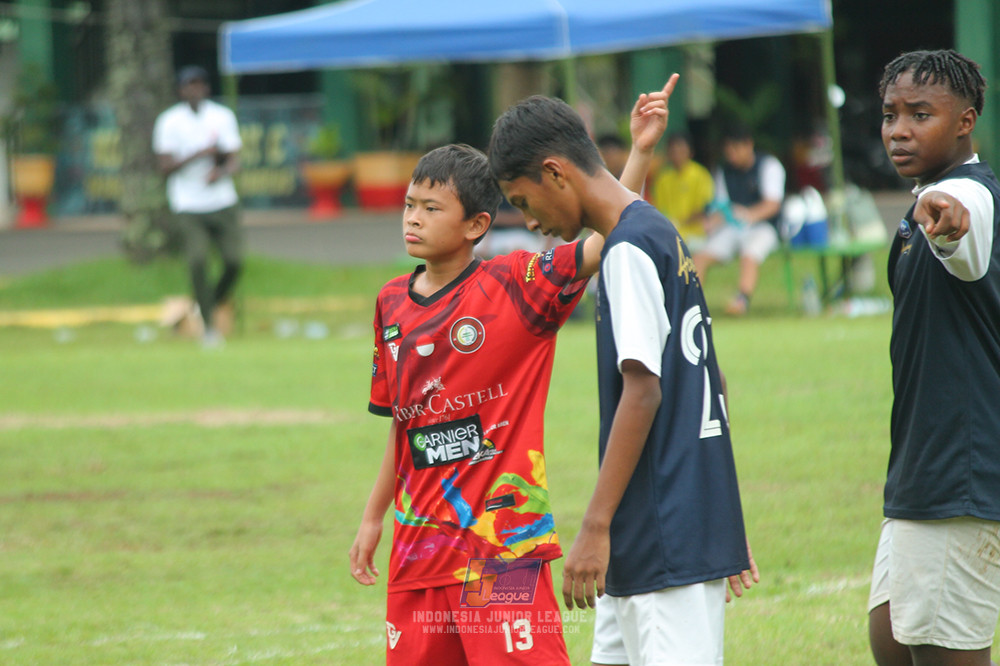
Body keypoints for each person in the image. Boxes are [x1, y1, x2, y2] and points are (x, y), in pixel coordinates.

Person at [349, 83, 675, 665]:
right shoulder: (390, 304)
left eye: (431, 208)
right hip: (418, 550)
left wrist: (641, 152)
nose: (413, 220)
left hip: (501, 550)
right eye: (408, 205)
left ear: (476, 225)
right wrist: (375, 518)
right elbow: (404, 427)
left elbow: (610, 230)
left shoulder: (516, 284)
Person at [489, 74, 757, 666]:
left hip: (659, 532)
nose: (529, 222)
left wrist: (593, 525)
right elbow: (712, 381)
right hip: (656, 531)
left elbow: (643, 392)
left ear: (556, 173)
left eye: (525, 202)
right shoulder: (653, 230)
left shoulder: (630, 251)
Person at [868, 49, 1000, 666]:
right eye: (891, 114)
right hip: (922, 471)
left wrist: (950, 225)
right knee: (891, 642)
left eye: (921, 114)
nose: (899, 129)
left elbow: (966, 240)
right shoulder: (922, 204)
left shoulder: (967, 196)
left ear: (965, 120)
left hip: (958, 473)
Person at [153, 65, 243, 347]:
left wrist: (222, 171)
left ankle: (206, 305)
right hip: (188, 203)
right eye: (188, 84)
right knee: (197, 260)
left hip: (221, 200)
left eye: (199, 84)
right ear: (180, 90)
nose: (194, 89)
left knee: (234, 261)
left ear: (206, 88)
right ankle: (208, 328)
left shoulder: (221, 116)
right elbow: (165, 166)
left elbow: (234, 158)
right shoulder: (169, 121)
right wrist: (199, 154)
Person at [692, 124, 786, 316]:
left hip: (764, 227)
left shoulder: (769, 165)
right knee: (700, 257)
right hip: (732, 227)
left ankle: (741, 301)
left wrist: (748, 214)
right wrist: (712, 223)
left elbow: (772, 205)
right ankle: (692, 305)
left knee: (749, 253)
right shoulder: (724, 171)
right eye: (728, 151)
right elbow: (722, 206)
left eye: (735, 149)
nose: (731, 155)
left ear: (748, 145)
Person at [651, 131, 714, 249]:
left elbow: (703, 208)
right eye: (673, 151)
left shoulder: (700, 174)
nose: (677, 155)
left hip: (696, 233)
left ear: (690, 151)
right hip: (669, 231)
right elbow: (658, 208)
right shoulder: (663, 178)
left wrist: (681, 223)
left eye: (681, 150)